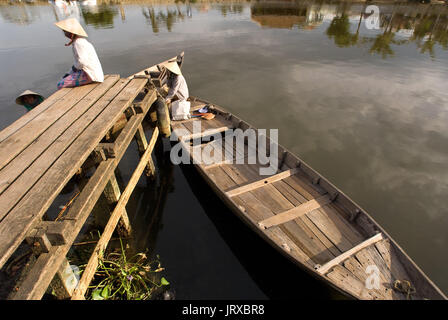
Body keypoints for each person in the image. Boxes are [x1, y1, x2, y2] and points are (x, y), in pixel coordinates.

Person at [54, 18, 104, 89]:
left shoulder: (78, 43)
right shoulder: (80, 41)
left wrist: (73, 70)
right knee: (65, 78)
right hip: (93, 74)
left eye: (65, 31)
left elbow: (82, 62)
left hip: (90, 75)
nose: (64, 33)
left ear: (71, 33)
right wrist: (70, 73)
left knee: (60, 84)